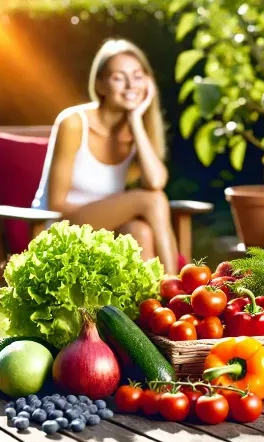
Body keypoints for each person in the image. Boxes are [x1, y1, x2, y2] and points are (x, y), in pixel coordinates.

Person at [35, 38, 180, 274]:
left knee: (140, 232)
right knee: (151, 200)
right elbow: (56, 204)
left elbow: (155, 181)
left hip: (103, 229)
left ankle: (151, 306)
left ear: (148, 82)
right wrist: (113, 210)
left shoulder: (136, 131)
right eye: (118, 77)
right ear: (101, 85)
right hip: (61, 227)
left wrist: (135, 121)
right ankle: (176, 287)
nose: (130, 85)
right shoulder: (73, 122)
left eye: (137, 76)